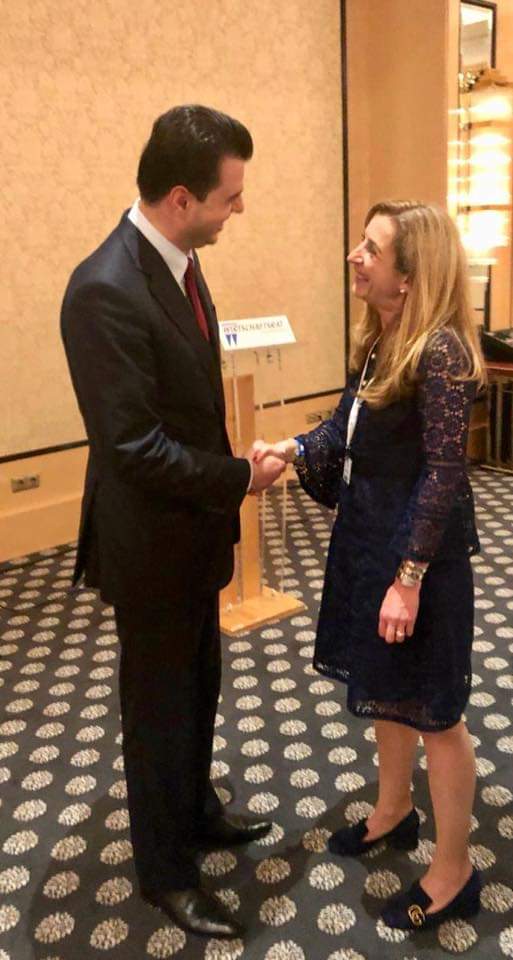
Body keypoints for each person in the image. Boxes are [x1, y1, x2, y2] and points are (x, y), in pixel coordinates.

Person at [61, 105, 285, 940]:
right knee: (156, 711)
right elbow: (132, 448)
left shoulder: (181, 261)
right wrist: (239, 477)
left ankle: (195, 810)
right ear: (182, 198)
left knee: (198, 687)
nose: (240, 209)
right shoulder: (103, 289)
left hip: (192, 534)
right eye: (230, 196)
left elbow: (185, 406)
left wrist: (227, 475)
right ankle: (164, 870)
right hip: (149, 544)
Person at [252, 201, 485, 932]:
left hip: (420, 556)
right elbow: (343, 426)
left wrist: (408, 579)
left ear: (409, 276)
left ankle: (454, 869)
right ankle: (394, 809)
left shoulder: (442, 351)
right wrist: (291, 448)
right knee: (387, 692)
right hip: (370, 537)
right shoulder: (382, 337)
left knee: (436, 713)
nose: (355, 256)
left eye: (371, 249)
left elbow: (443, 472)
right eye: (361, 244)